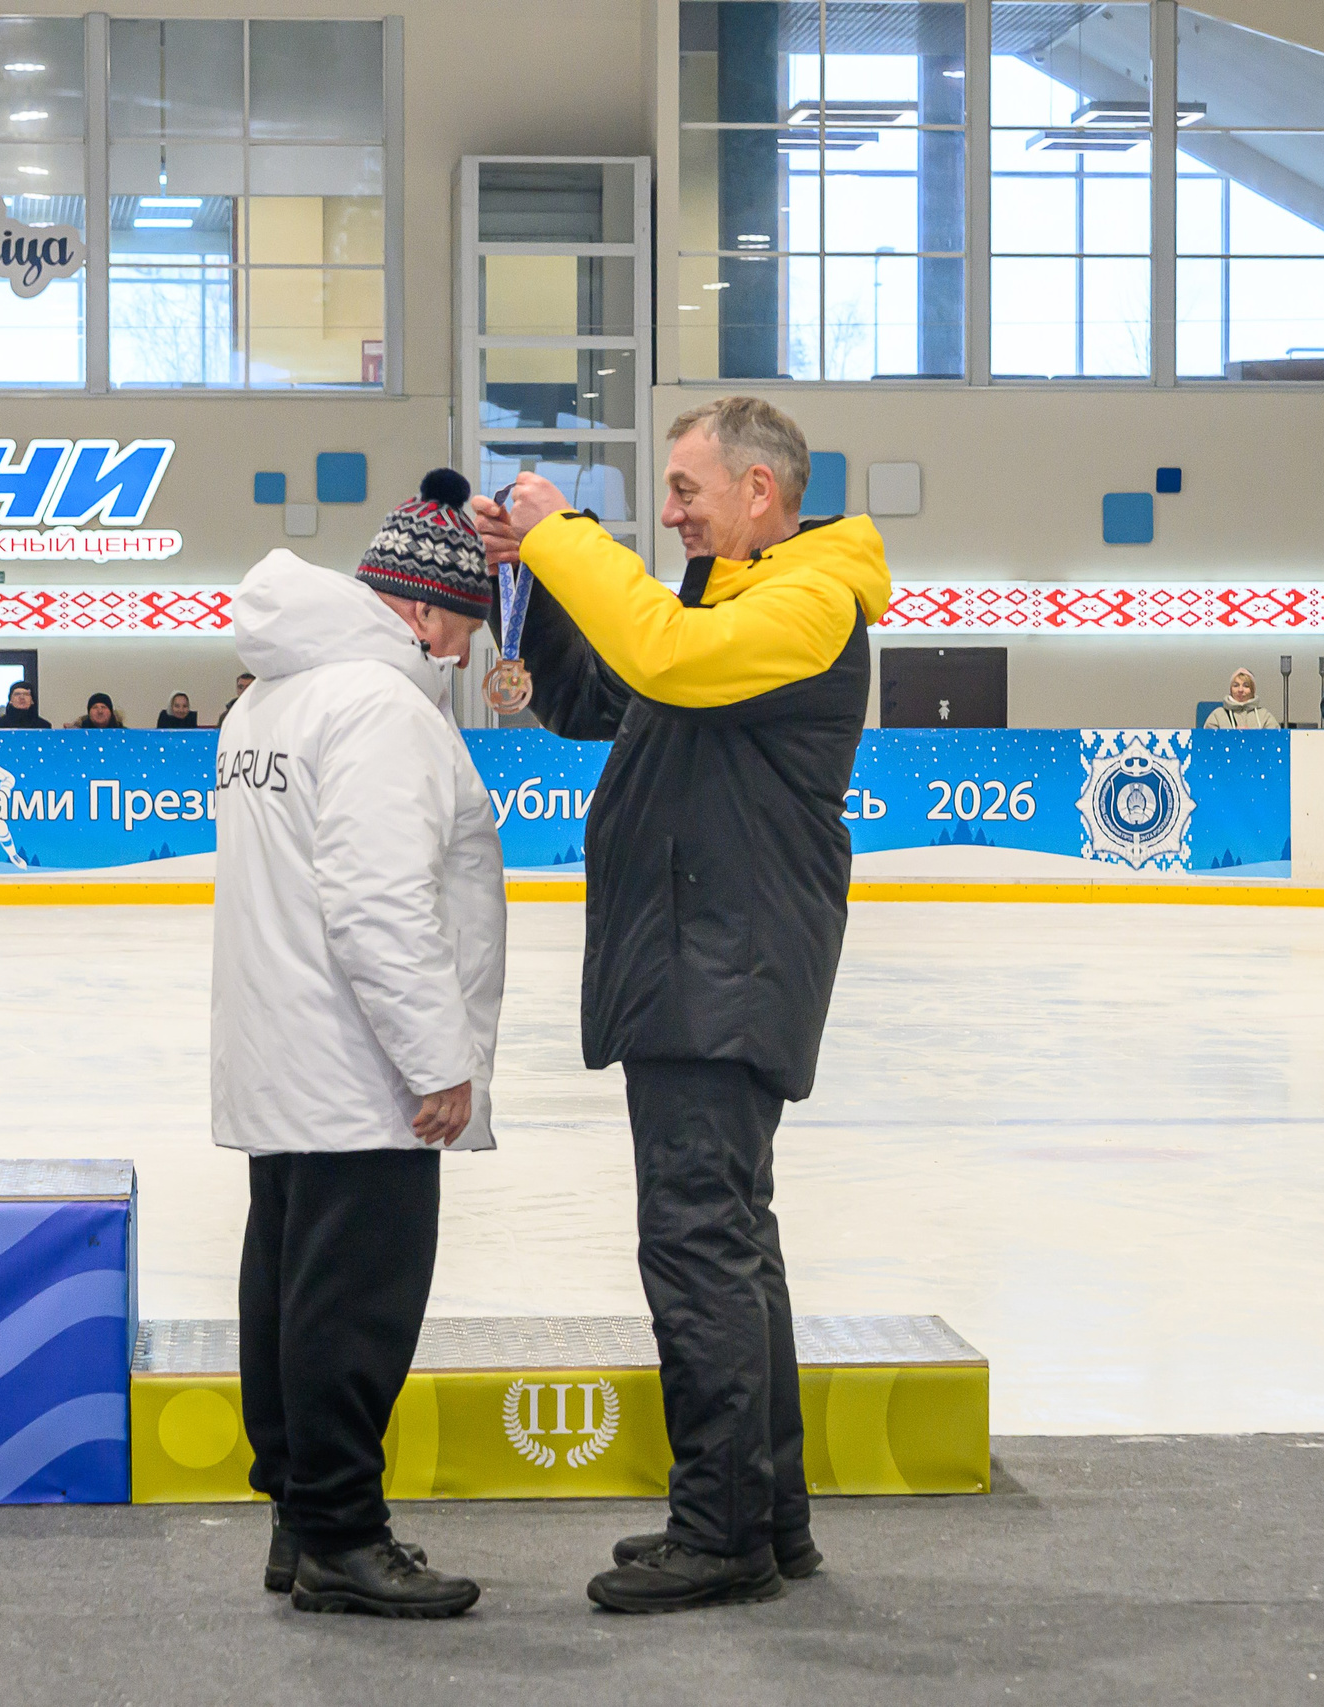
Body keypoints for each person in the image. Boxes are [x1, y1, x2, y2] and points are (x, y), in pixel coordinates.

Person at [473, 397, 890, 1614]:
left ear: (760, 491)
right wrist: (532, 584)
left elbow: (663, 658)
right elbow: (601, 696)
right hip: (697, 960)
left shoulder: (806, 604)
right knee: (729, 1238)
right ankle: (767, 1517)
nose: (668, 514)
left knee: (698, 1243)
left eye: (686, 490)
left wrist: (563, 538)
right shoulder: (726, 602)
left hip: (723, 966)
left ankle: (722, 1532)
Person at [214, 469, 506, 1620]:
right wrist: (438, 1058)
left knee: (287, 1286)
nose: (466, 657)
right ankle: (342, 1533)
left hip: (285, 1053)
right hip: (357, 1066)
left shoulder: (269, 700)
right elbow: (379, 904)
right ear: (426, 611)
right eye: (466, 629)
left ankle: (299, 1517)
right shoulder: (381, 708)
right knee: (353, 1308)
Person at [1203, 668, 1280, 730]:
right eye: (1236, 685)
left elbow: (1276, 740)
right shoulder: (1217, 715)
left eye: (1246, 686)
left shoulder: (1264, 716)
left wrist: (1252, 736)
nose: (1240, 690)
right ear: (1231, 689)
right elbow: (1207, 741)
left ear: (1252, 690)